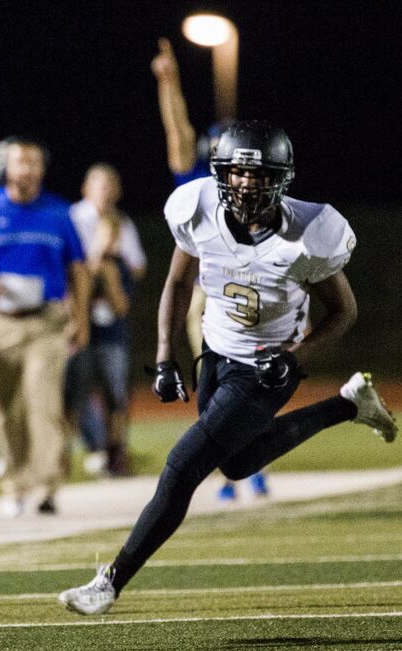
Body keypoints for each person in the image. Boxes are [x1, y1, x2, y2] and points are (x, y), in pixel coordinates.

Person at [58, 121, 398, 615]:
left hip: (264, 369)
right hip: (215, 353)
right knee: (236, 463)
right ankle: (347, 405)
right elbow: (177, 283)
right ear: (222, 173)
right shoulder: (198, 211)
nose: (246, 184)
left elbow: (344, 311)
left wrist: (294, 359)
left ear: (281, 179)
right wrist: (163, 355)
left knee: (183, 466)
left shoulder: (309, 233)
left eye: (259, 176)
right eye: (238, 173)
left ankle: (110, 582)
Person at [151, 37, 267, 500]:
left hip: (252, 287)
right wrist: (170, 83)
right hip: (206, 292)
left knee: (251, 378)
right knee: (214, 385)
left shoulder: (260, 184)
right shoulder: (196, 179)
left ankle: (253, 464)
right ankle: (228, 467)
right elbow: (178, 132)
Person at [0, 136, 91, 518]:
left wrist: (80, 317)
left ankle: (47, 486)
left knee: (44, 402)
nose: (28, 170)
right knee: (8, 408)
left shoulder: (58, 212)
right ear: (5, 167)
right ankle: (16, 484)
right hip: (0, 322)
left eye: (34, 163)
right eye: (20, 163)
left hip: (47, 321)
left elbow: (78, 268)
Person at [67, 163, 146, 476]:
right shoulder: (73, 217)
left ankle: (115, 453)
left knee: (116, 390)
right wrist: (96, 258)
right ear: (87, 188)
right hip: (79, 321)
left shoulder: (122, 222)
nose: (107, 192)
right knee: (77, 391)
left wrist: (111, 267)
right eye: (101, 185)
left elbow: (136, 269)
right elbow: (73, 269)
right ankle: (97, 446)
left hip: (111, 326)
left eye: (111, 185)